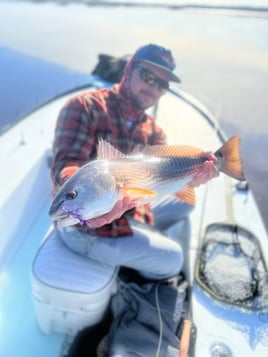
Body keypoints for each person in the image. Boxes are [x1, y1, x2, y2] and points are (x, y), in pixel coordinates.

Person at [50, 43, 219, 281]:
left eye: (162, 84)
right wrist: (74, 187)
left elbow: (162, 175)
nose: (154, 88)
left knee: (187, 204)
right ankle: (130, 278)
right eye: (149, 76)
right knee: (173, 261)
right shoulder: (84, 106)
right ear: (129, 69)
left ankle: (140, 237)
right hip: (88, 231)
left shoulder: (154, 130)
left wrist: (192, 176)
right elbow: (68, 161)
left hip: (129, 210)